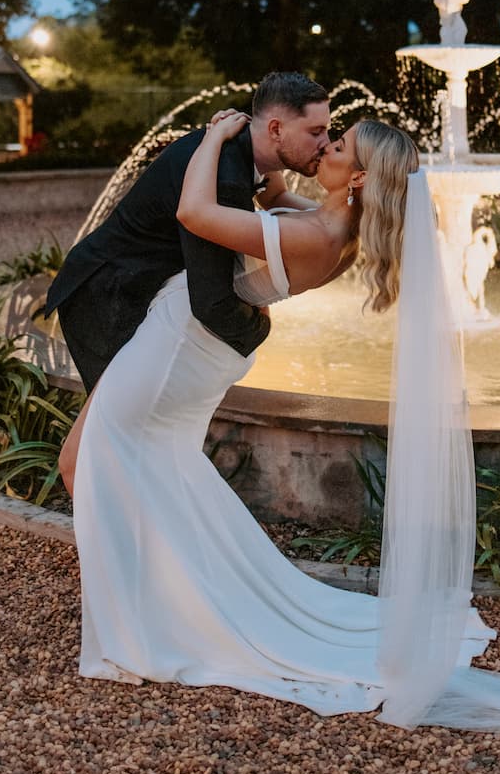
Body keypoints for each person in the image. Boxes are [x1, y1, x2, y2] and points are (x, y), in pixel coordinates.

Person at [72, 112, 500, 742]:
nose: (326, 147)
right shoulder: (333, 224)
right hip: (193, 348)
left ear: (357, 179)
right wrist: (270, 172)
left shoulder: (313, 234)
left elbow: (196, 215)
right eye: (329, 137)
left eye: (340, 147)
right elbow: (274, 201)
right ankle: (165, 593)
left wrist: (214, 137)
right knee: (154, 465)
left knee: (114, 454)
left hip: (176, 347)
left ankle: (155, 614)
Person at [44, 72, 331, 494]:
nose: (325, 142)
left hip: (139, 290)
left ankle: (134, 542)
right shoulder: (224, 175)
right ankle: (116, 547)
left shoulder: (246, 150)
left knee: (127, 444)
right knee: (102, 445)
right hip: (109, 295)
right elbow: (211, 300)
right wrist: (261, 327)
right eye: (317, 131)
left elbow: (274, 200)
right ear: (275, 129)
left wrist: (347, 218)